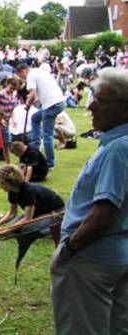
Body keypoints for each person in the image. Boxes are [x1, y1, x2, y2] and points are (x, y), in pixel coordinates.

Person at [51, 68, 128, 335]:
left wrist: (70, 248)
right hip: (116, 257)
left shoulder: (118, 149)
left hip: (92, 260)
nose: (91, 105)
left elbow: (104, 212)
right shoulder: (115, 143)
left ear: (124, 108)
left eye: (101, 100)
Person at [0, 165, 64, 235]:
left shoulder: (28, 191)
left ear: (11, 182)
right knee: (16, 227)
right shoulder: (12, 191)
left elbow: (27, 219)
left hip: (55, 213)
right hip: (38, 213)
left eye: (3, 183)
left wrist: (6, 230)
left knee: (27, 230)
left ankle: (60, 228)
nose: (0, 186)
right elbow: (12, 213)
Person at [17, 63, 66, 168]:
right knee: (35, 118)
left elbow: (33, 95)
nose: (23, 79)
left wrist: (27, 104)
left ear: (23, 71)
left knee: (48, 134)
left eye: (22, 76)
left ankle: (49, 163)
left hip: (51, 104)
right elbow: (38, 96)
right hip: (59, 101)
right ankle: (35, 146)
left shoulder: (30, 75)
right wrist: (32, 101)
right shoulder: (38, 71)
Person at [0, 77, 20, 164]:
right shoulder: (1, 94)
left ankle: (8, 164)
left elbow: (12, 110)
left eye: (14, 89)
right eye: (11, 88)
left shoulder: (14, 95)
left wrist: (14, 119)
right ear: (7, 85)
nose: (12, 90)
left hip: (6, 122)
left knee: (6, 143)